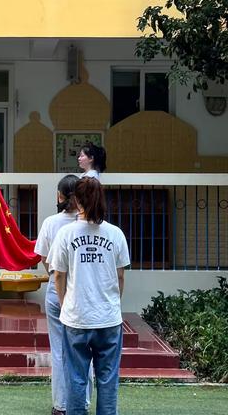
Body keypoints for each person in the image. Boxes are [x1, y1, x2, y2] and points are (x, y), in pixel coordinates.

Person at [48, 177, 130, 415]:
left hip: (76, 318)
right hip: (108, 319)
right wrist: (113, 303)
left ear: (76, 200)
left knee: (76, 379)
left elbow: (58, 277)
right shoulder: (115, 234)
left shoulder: (66, 234)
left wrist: (65, 306)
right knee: (107, 380)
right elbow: (120, 277)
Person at [35, 175, 94, 415]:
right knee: (86, 348)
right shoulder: (91, 224)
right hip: (82, 291)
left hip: (55, 290)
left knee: (59, 350)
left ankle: (61, 405)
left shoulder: (51, 223)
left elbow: (43, 257)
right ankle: (84, 402)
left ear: (59, 195)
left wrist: (53, 275)